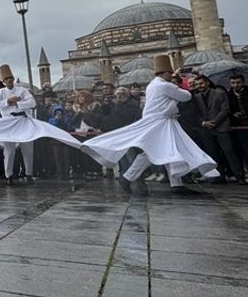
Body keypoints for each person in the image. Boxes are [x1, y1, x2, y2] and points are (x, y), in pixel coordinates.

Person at [84, 55, 217, 194]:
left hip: (160, 122)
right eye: (170, 73)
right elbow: (186, 96)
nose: (171, 76)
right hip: (161, 123)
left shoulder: (152, 85)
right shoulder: (164, 85)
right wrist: (177, 85)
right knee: (164, 150)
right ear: (165, 73)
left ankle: (172, 183)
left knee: (164, 151)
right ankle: (136, 179)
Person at [0, 64, 87, 185]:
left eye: (11, 78)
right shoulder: (1, 93)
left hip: (23, 120)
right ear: (4, 81)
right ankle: (9, 176)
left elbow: (32, 103)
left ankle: (29, 174)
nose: (9, 81)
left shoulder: (22, 90)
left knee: (27, 148)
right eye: (7, 79)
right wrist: (8, 101)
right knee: (9, 151)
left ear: (13, 79)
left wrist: (18, 103)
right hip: (9, 122)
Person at [190, 75, 246, 184]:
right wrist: (204, 123)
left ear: (206, 83)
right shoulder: (196, 97)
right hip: (206, 129)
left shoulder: (219, 93)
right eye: (197, 84)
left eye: (201, 83)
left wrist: (214, 122)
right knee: (212, 153)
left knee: (229, 152)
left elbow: (225, 109)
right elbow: (196, 113)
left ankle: (239, 175)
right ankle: (219, 175)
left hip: (221, 127)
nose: (199, 86)